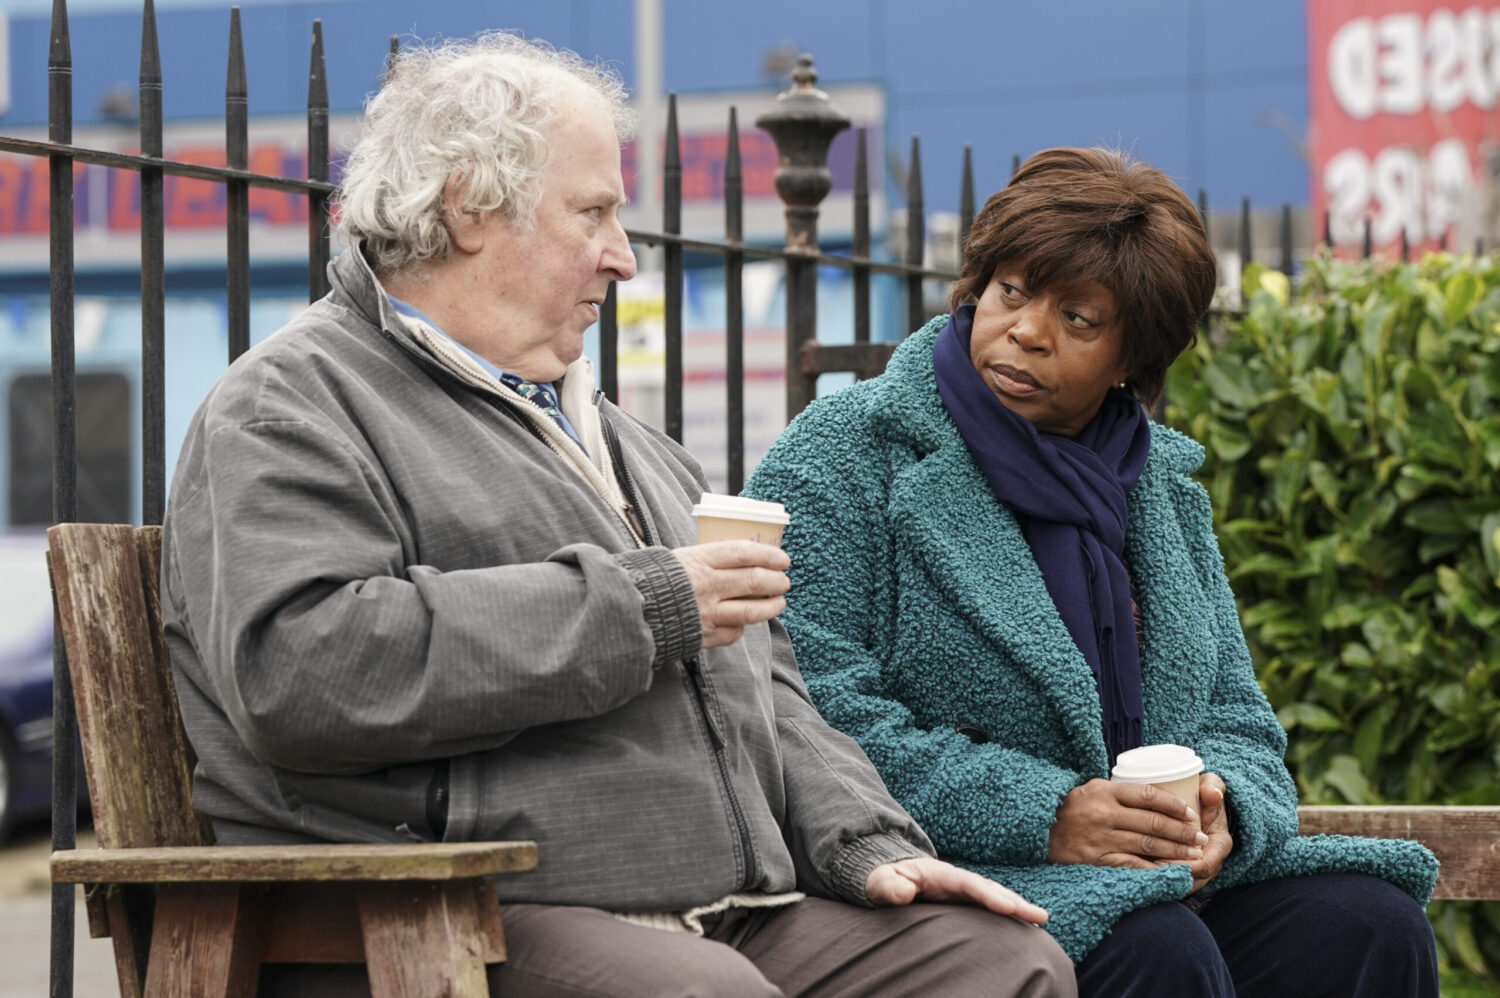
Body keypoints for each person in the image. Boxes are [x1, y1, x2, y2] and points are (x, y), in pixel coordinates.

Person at [159, 32, 1075, 998]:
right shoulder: (291, 403)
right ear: (471, 206)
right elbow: (300, 668)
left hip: (716, 910)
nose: (625, 257)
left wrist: (862, 839)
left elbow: (768, 684)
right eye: (594, 211)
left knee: (1004, 967)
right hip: (443, 910)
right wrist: (644, 603)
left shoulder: (624, 440)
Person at [744, 147, 1440, 998]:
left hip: (1155, 878)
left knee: (1370, 925)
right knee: (1155, 949)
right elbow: (812, 715)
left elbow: (1237, 715)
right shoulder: (846, 454)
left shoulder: (1158, 487)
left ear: (1130, 361)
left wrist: (1225, 809)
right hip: (953, 873)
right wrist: (1048, 814)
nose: (1027, 331)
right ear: (977, 287)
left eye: (1079, 319)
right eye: (1011, 292)